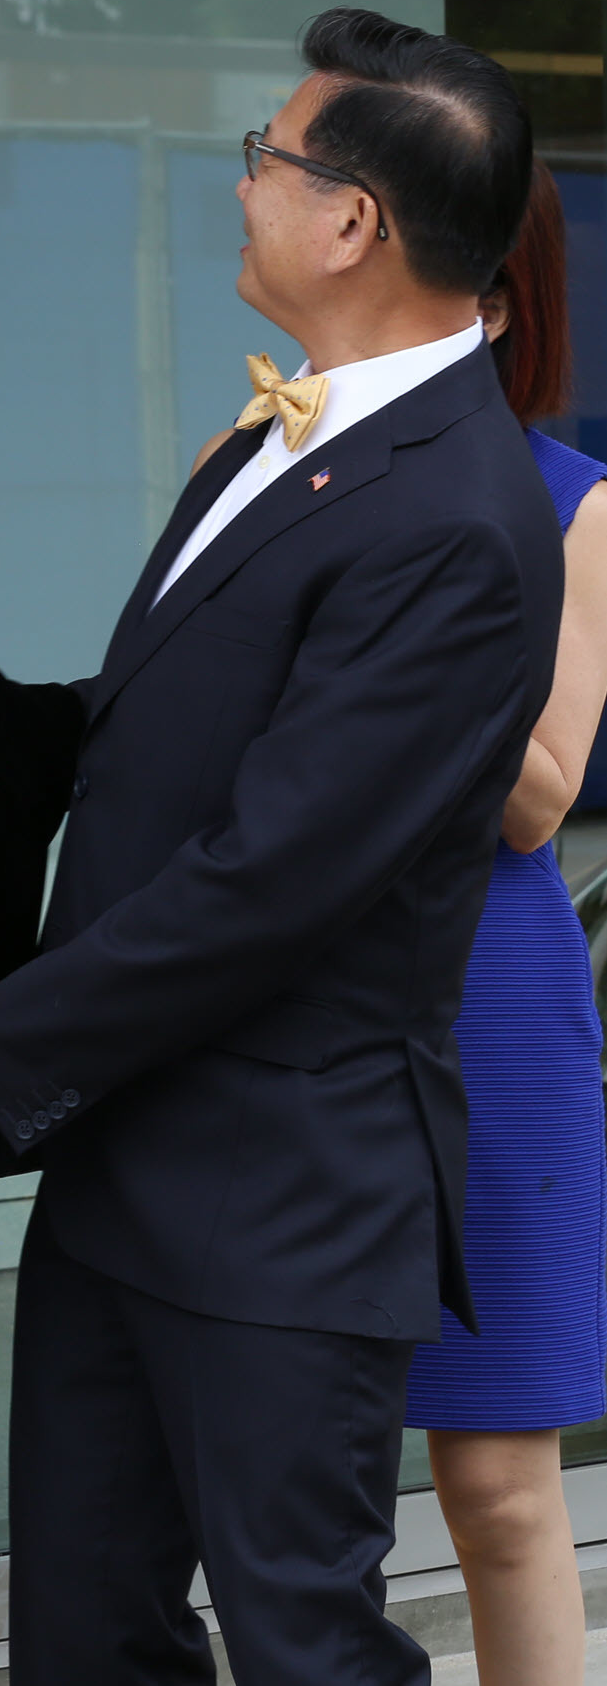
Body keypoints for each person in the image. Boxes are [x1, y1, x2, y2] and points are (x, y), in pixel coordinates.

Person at [0, 9, 560, 1683]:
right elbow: (165, 729)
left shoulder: (457, 517)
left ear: (350, 220)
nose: (240, 192)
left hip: (282, 1204)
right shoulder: (295, 436)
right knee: (87, 1635)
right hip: (124, 1167)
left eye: (264, 160)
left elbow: (274, 875)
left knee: (303, 1645)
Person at [405, 164, 607, 1686]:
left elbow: (537, 798)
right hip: (300, 994)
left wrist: (392, 628)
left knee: (495, 1489)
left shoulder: (571, 499)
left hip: (491, 1007)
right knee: (299, 1472)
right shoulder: (268, 460)